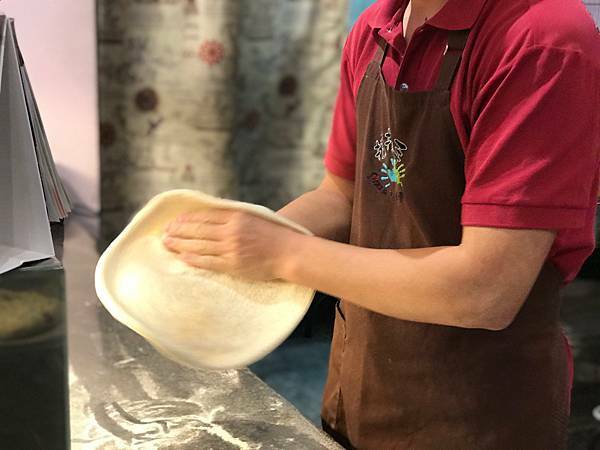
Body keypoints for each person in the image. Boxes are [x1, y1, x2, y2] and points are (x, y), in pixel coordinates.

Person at [162, 0, 600, 447]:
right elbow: (342, 196)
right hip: (362, 387)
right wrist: (237, 243)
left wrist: (281, 252)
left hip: (479, 413)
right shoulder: (376, 27)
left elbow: (487, 289)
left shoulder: (542, 38)